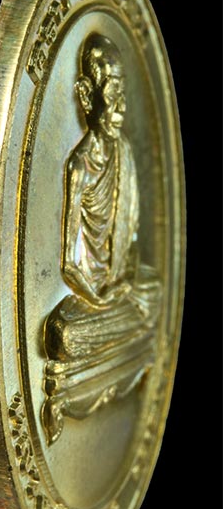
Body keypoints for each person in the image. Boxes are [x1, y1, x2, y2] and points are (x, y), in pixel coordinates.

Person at [44, 32, 161, 362]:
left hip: (120, 288)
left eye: (122, 92)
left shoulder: (124, 151)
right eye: (111, 91)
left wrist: (126, 281)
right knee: (63, 335)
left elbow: (131, 237)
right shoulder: (79, 166)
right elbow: (68, 265)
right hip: (91, 295)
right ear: (86, 94)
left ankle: (127, 318)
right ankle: (125, 323)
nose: (121, 105)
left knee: (155, 289)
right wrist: (101, 300)